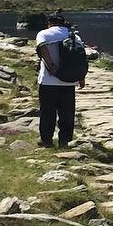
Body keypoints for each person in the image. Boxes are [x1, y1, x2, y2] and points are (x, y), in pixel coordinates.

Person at [36, 8, 86, 147]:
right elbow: (80, 58)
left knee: (48, 112)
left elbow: (42, 49)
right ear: (63, 23)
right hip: (69, 81)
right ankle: (65, 141)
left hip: (48, 81)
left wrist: (51, 67)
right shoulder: (74, 37)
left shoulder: (44, 34)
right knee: (67, 113)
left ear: (49, 23)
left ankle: (46, 140)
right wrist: (81, 77)